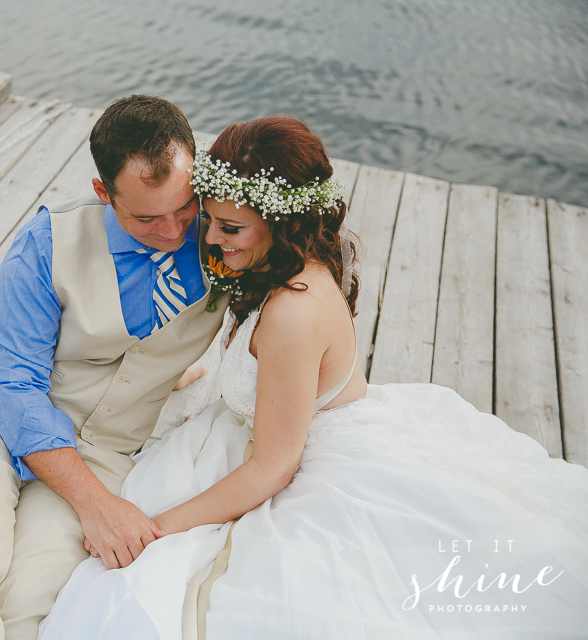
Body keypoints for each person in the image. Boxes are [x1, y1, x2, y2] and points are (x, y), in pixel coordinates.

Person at [38, 116, 588, 639]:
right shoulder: (278, 263)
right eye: (209, 219)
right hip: (262, 437)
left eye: (230, 227)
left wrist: (158, 529)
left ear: (280, 222)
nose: (209, 240)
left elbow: (274, 467)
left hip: (303, 462)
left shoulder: (293, 313)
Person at [0, 95, 229, 640]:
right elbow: (14, 383)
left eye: (184, 208)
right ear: (103, 193)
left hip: (106, 449)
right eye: (146, 216)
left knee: (31, 608)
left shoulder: (227, 238)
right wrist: (95, 505)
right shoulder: (46, 243)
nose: (172, 231)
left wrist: (170, 375)